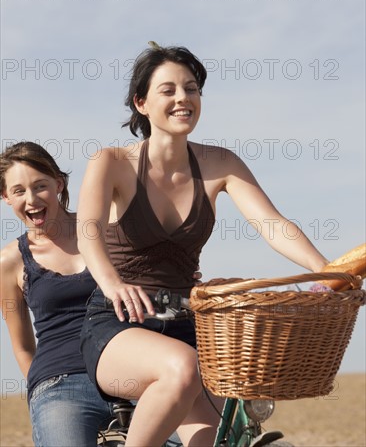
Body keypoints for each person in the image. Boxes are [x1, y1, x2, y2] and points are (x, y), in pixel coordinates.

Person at [77, 43, 329, 447]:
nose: (183, 99)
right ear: (141, 103)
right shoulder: (111, 162)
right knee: (184, 369)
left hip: (190, 321)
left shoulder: (220, 163)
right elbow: (87, 230)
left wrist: (327, 272)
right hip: (117, 321)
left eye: (192, 89)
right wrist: (112, 283)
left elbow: (273, 225)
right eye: (168, 90)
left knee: (222, 437)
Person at [0, 142, 115, 447]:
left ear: (59, 184)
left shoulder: (104, 229)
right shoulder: (9, 262)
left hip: (126, 368)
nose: (32, 199)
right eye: (19, 191)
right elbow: (23, 347)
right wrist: (43, 391)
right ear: (6, 197)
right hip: (61, 382)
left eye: (40, 186)